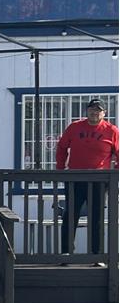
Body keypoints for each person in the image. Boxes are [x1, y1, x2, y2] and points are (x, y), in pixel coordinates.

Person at [55, 98, 119, 256]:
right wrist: (60, 169)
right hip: (75, 179)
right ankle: (66, 253)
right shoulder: (74, 127)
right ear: (87, 111)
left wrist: (115, 175)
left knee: (96, 218)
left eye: (98, 110)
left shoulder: (112, 130)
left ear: (104, 113)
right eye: (91, 109)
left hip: (98, 181)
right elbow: (62, 147)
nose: (94, 112)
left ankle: (96, 255)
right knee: (70, 216)